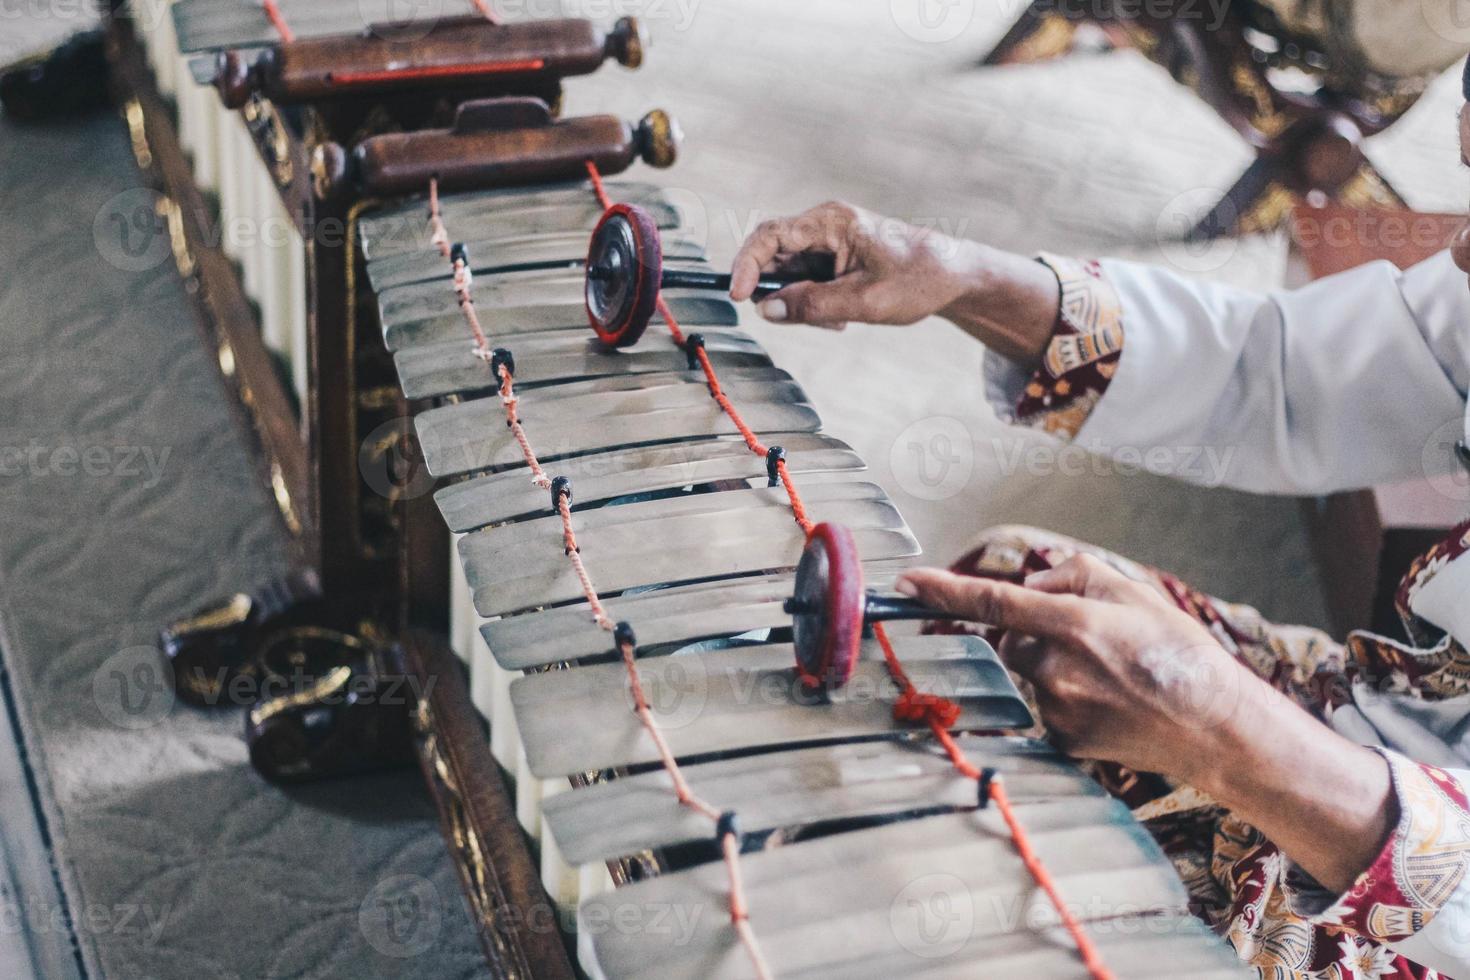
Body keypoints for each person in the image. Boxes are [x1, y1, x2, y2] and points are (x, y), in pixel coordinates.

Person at [727, 73, 1470, 980]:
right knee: (1008, 597)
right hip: (1411, 714)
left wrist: (1230, 732)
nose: (1461, 252)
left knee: (1025, 931)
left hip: (1430, 892)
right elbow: (1285, 375)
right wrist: (965, 274)